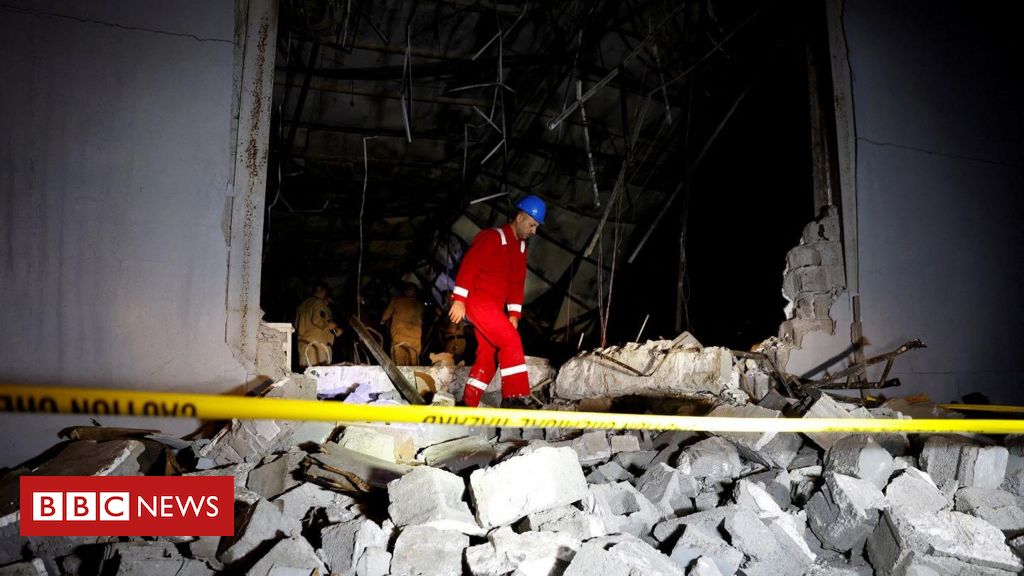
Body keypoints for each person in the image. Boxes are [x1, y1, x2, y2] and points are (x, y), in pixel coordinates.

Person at [449, 195, 545, 407]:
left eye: (536, 227)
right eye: (532, 225)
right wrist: (459, 299)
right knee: (510, 340)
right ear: (519, 218)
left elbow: (517, 283)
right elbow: (469, 266)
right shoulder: (493, 237)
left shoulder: (521, 248)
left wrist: (514, 314)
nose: (534, 231)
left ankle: (469, 402)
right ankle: (514, 397)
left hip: (494, 308)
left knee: (489, 354)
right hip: (478, 301)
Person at [295, 281, 340, 368]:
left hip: (304, 347)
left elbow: (296, 326)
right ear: (321, 290)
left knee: (308, 374)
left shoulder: (302, 305)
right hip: (318, 349)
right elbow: (318, 320)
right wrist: (331, 326)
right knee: (322, 375)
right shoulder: (318, 303)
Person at [381, 282, 424, 365]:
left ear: (405, 291)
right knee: (413, 367)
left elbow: (384, 317)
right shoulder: (420, 305)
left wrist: (382, 322)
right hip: (415, 342)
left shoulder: (396, 301)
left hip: (399, 340)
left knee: (399, 367)